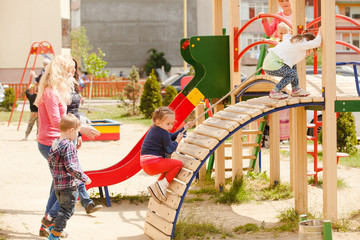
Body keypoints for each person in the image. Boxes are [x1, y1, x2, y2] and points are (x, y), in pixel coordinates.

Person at [35, 55, 100, 237]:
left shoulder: (56, 91)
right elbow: (57, 121)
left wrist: (76, 133)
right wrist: (81, 128)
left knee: (58, 185)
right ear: (60, 71)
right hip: (51, 143)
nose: (73, 73)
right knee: (65, 184)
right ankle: (50, 220)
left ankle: (46, 224)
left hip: (60, 141)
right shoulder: (50, 93)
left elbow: (64, 120)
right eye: (70, 70)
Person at [46, 113, 91, 240]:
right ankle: (54, 235)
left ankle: (50, 221)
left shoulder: (56, 143)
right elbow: (72, 166)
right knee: (67, 211)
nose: (77, 134)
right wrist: (84, 178)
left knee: (62, 208)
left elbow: (51, 163)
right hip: (68, 186)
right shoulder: (69, 145)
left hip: (58, 185)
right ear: (71, 131)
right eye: (77, 132)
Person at [140, 107, 194, 203]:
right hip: (153, 163)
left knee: (167, 168)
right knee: (178, 164)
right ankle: (163, 184)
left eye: (172, 124)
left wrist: (185, 128)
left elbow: (172, 136)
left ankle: (157, 188)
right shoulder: (163, 132)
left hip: (146, 164)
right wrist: (177, 141)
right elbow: (169, 150)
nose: (170, 126)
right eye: (168, 124)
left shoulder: (156, 130)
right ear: (158, 122)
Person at [263, 29, 322, 99]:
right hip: (273, 64)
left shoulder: (295, 41)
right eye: (312, 49)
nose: (311, 52)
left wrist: (289, 32)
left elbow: (285, 36)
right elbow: (317, 43)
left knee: (293, 66)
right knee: (292, 73)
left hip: (271, 63)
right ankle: (275, 92)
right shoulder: (301, 43)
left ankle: (295, 90)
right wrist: (320, 31)